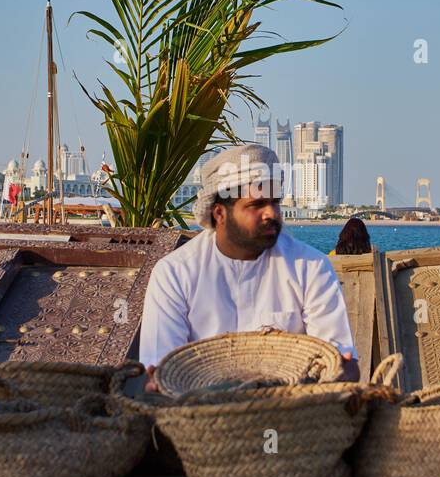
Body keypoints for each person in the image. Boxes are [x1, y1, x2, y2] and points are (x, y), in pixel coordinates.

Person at [139, 144, 356, 386]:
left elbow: (342, 364)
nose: (271, 213)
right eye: (257, 205)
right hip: (199, 415)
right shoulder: (174, 274)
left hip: (292, 413)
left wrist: (340, 370)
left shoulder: (311, 267)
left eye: (274, 203)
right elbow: (162, 373)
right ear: (219, 214)